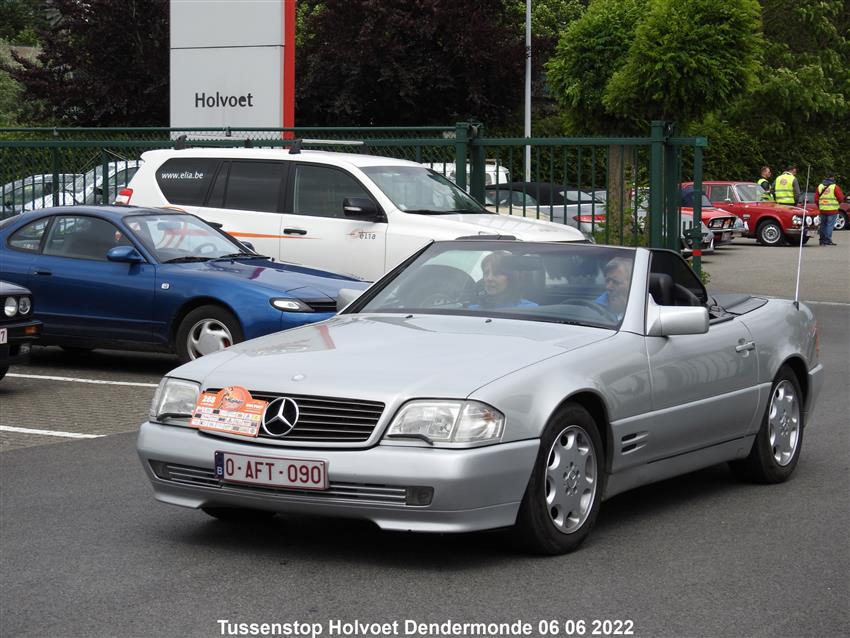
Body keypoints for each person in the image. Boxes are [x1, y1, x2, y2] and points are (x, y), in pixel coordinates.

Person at [470, 251, 538, 309]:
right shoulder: (472, 310)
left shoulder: (530, 310)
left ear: (512, 278)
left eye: (497, 273)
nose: (489, 278)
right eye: (486, 273)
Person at [815, 174, 844, 246]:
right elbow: (841, 198)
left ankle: (822, 240)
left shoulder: (820, 186)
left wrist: (820, 206)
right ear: (832, 178)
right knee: (829, 225)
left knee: (822, 225)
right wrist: (837, 203)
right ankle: (827, 240)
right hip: (832, 209)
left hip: (822, 209)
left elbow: (816, 199)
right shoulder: (835, 187)